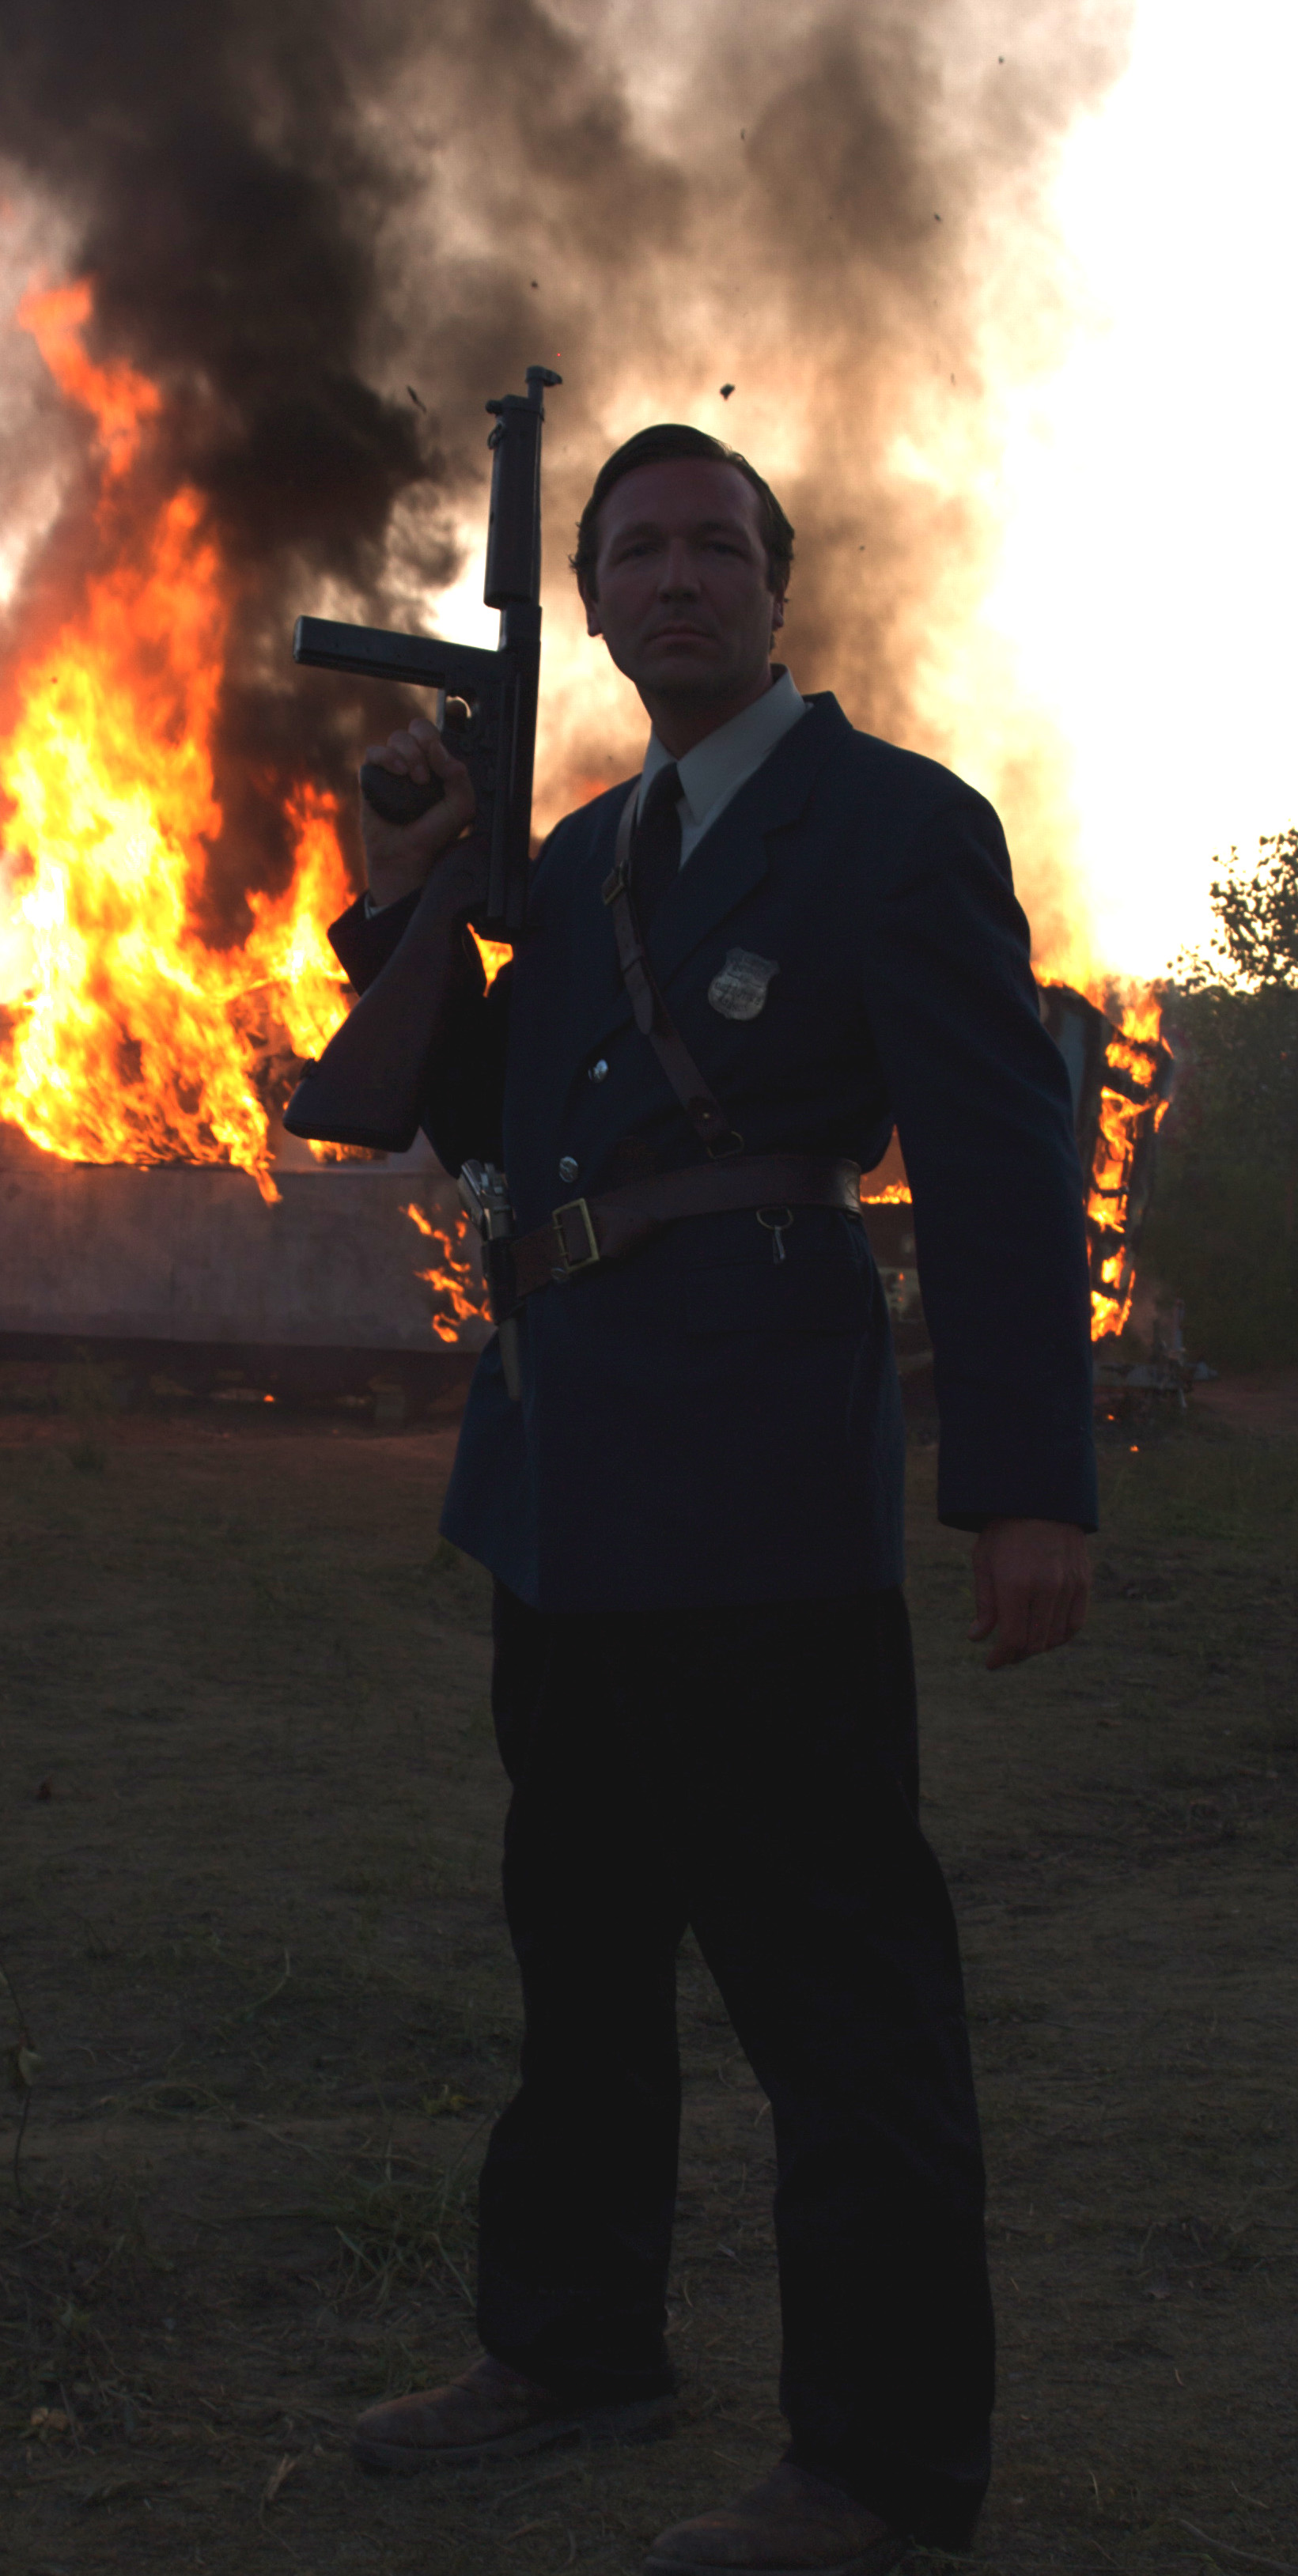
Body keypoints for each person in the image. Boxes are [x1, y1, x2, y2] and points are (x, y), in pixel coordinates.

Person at [327, 423, 1096, 2576]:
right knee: (577, 1959)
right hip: (563, 1477)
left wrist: (1027, 1485)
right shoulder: (569, 859)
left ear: (776, 586)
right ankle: (571, 2343)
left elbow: (1000, 1168)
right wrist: (410, 897)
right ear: (586, 607)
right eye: (634, 549)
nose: (674, 576)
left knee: (833, 1991)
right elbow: (470, 1119)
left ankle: (874, 2465)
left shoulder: (889, 829)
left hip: (762, 1479)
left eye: (711, 545)